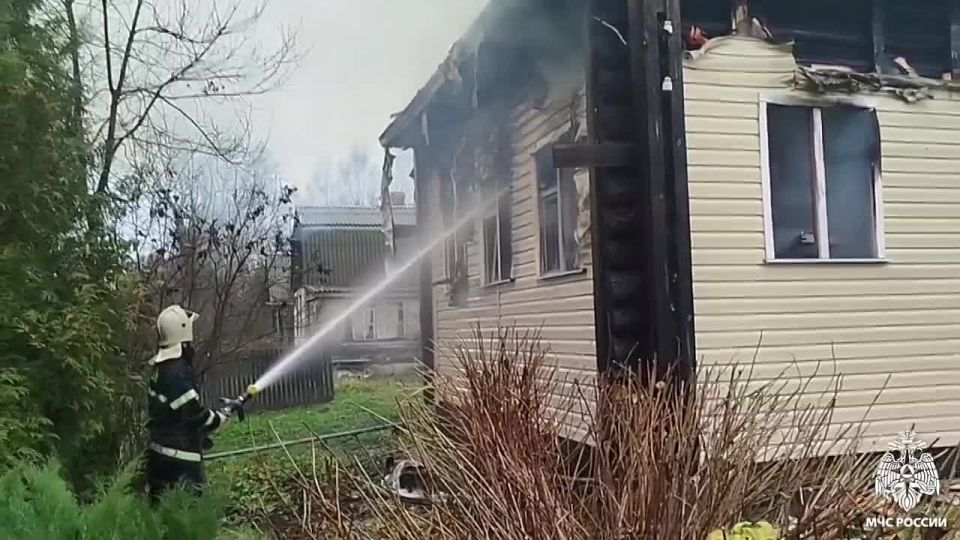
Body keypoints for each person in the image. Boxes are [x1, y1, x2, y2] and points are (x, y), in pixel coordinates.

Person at [145, 304, 236, 500]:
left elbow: (174, 413)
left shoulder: (160, 369)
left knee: (161, 518)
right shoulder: (177, 372)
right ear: (184, 334)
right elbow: (194, 415)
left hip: (159, 455)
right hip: (180, 459)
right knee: (192, 515)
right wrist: (218, 419)